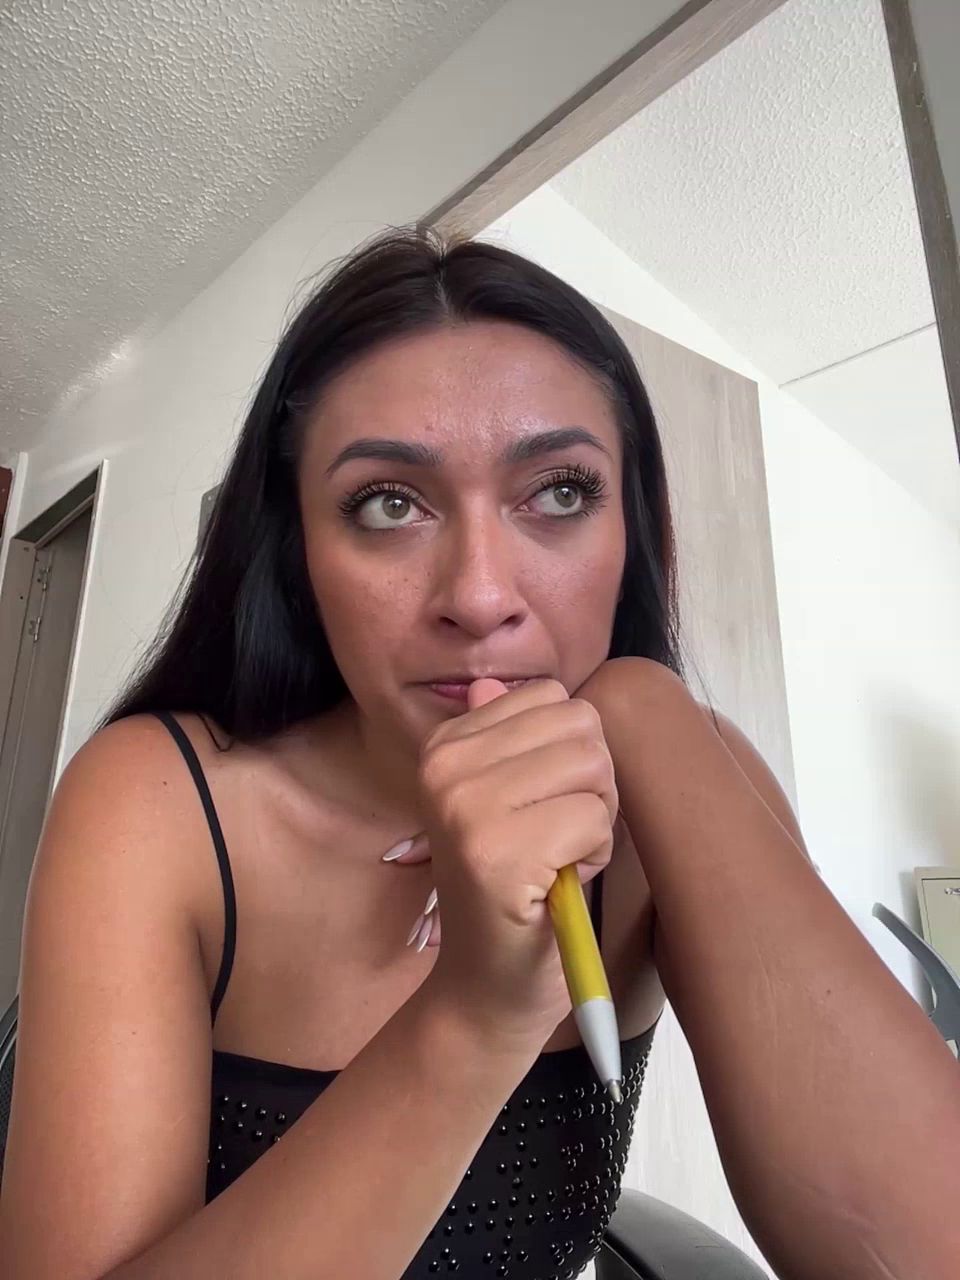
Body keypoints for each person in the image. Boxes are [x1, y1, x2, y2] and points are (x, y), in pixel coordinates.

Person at [0, 230, 956, 1280]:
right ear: (298, 549)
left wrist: (643, 706)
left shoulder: (677, 770)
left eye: (560, 492)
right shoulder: (157, 803)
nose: (481, 595)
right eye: (389, 504)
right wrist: (475, 1017)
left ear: (631, 527)